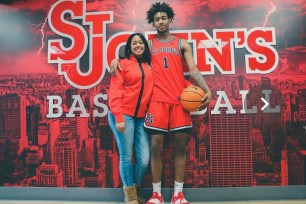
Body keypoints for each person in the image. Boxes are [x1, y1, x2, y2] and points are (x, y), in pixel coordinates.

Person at [111, 2, 212, 203]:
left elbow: (192, 69)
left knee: (180, 148)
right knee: (155, 149)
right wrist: (115, 59)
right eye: (156, 19)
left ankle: (178, 194)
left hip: (179, 102)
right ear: (153, 22)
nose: (160, 21)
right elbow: (131, 53)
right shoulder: (148, 44)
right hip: (156, 103)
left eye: (163, 18)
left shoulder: (182, 43)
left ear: (170, 19)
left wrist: (207, 89)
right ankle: (156, 194)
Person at [108, 33, 153, 204]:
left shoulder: (149, 66)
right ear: (129, 47)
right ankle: (131, 197)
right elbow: (115, 93)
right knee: (126, 156)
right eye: (134, 43)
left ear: (145, 46)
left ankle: (135, 189)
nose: (138, 45)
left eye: (141, 42)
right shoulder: (121, 65)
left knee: (144, 159)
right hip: (122, 115)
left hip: (141, 117)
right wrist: (119, 117)